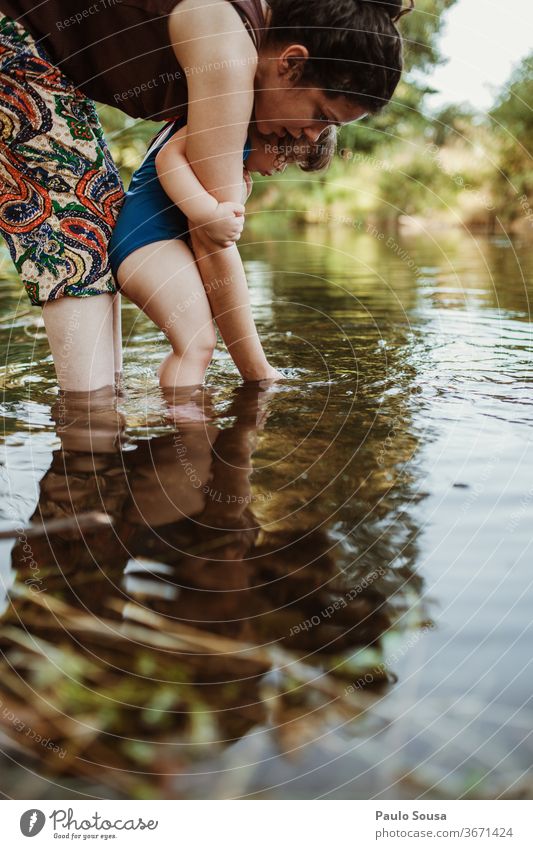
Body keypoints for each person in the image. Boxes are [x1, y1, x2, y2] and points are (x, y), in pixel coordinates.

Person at [0, 0, 413, 392]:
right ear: (291, 63)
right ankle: (89, 434)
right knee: (77, 226)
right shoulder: (230, 53)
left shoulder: (242, 35)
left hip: (40, 54)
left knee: (98, 210)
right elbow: (211, 239)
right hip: (14, 36)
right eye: (321, 116)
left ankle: (107, 412)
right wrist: (257, 374)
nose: (313, 136)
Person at [109, 120, 336, 387]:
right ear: (273, 131)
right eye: (285, 155)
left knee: (195, 344)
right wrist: (208, 214)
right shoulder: (230, 128)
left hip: (153, 245)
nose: (280, 167)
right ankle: (185, 422)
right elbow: (168, 158)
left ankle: (170, 408)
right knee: (197, 345)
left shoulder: (231, 148)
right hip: (145, 243)